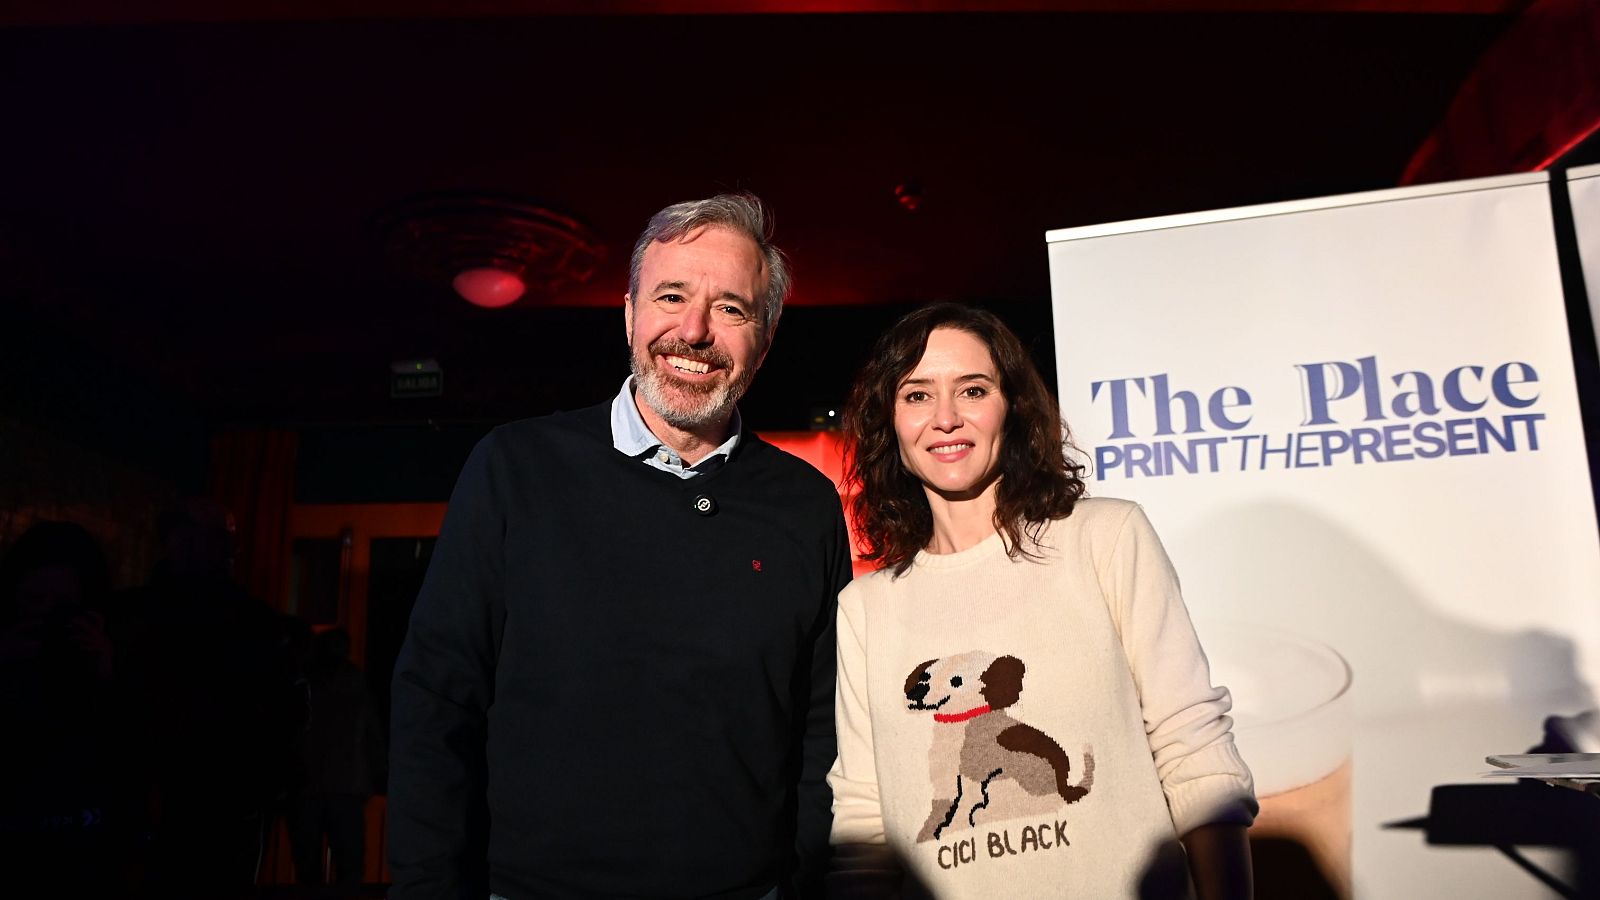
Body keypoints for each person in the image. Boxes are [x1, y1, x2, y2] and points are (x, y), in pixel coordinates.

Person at [388, 193, 852, 900]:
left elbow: (825, 734)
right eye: (672, 296)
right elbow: (437, 699)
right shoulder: (518, 468)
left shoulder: (805, 506)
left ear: (765, 335)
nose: (693, 331)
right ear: (630, 312)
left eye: (731, 308)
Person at [827, 303, 1256, 900]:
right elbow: (863, 823)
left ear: (1013, 407)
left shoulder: (1106, 538)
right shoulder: (865, 609)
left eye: (972, 390)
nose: (945, 418)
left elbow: (1196, 752)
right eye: (917, 395)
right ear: (889, 423)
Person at [285, 627, 385, 887]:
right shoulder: (357, 686)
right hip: (346, 788)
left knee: (308, 872)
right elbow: (373, 739)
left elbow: (291, 734)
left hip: (308, 786)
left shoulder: (305, 683)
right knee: (349, 870)